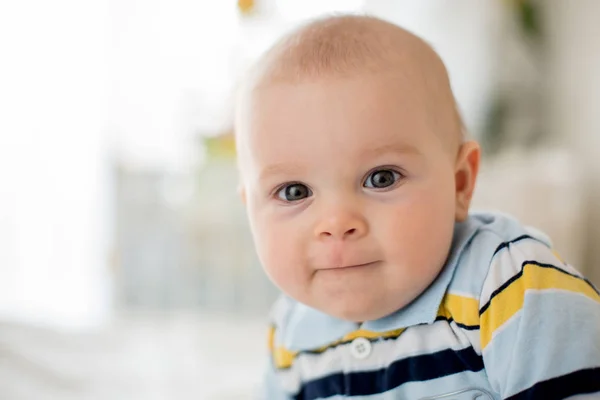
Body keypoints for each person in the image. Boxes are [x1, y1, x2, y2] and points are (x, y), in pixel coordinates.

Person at [233, 14, 600, 399]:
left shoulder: (512, 289)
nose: (336, 223)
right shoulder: (291, 334)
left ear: (460, 183)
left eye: (381, 178)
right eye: (294, 191)